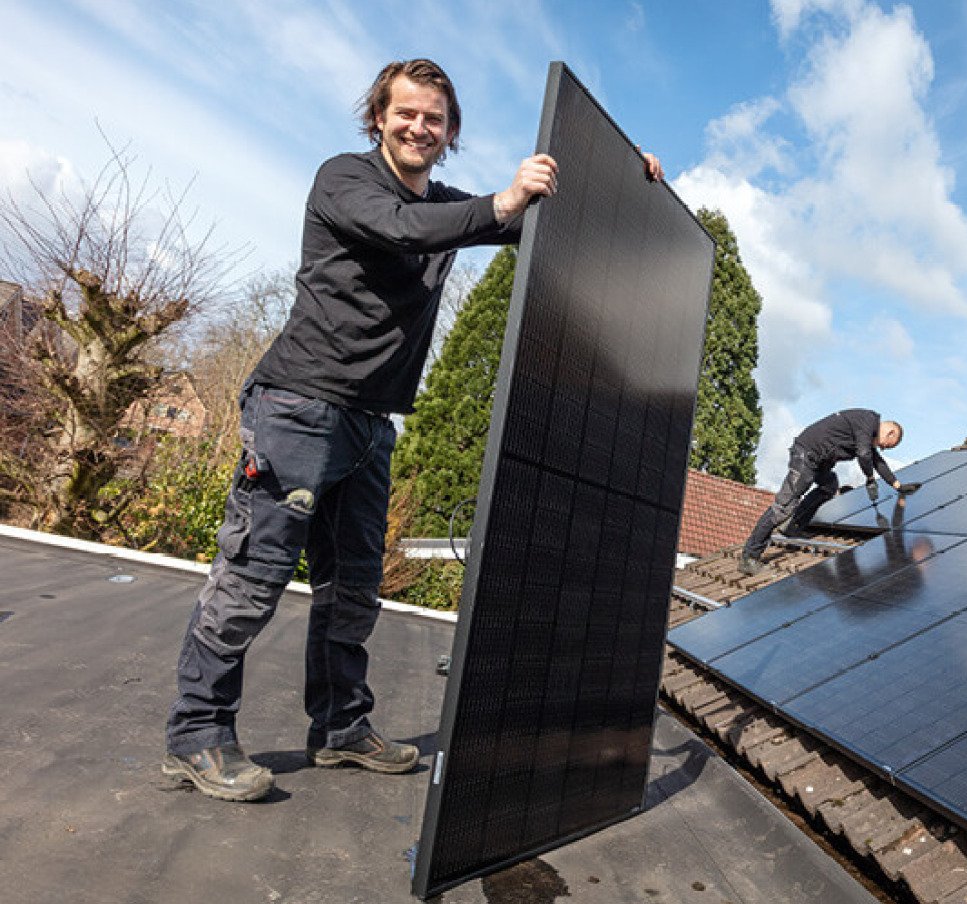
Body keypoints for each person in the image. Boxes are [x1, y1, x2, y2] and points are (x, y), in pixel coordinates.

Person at [162, 58, 663, 802]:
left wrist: (618, 182)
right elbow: (405, 229)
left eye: (434, 118)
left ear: (450, 131)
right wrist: (500, 201)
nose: (419, 127)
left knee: (353, 590)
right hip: (299, 408)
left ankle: (339, 731)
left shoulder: (448, 204)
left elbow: (534, 226)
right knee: (251, 581)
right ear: (379, 119)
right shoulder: (346, 180)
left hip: (370, 425)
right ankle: (197, 737)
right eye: (406, 114)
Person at [739, 409, 919, 575]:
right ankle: (749, 557)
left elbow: (876, 460)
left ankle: (793, 527)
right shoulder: (867, 421)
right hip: (806, 455)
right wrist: (870, 478)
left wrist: (897, 485)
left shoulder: (866, 431)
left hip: (818, 462)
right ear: (890, 433)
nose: (883, 448)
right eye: (887, 445)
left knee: (829, 486)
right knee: (783, 507)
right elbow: (864, 454)